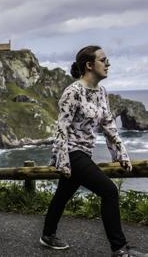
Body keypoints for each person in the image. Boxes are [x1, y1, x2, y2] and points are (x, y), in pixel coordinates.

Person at [40, 45, 147, 257]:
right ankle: (120, 248)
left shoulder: (101, 92)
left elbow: (108, 125)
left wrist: (121, 155)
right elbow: (61, 128)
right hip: (72, 153)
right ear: (89, 65)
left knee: (62, 195)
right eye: (103, 60)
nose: (108, 64)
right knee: (109, 191)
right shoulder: (72, 92)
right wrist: (62, 162)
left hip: (85, 153)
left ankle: (47, 235)